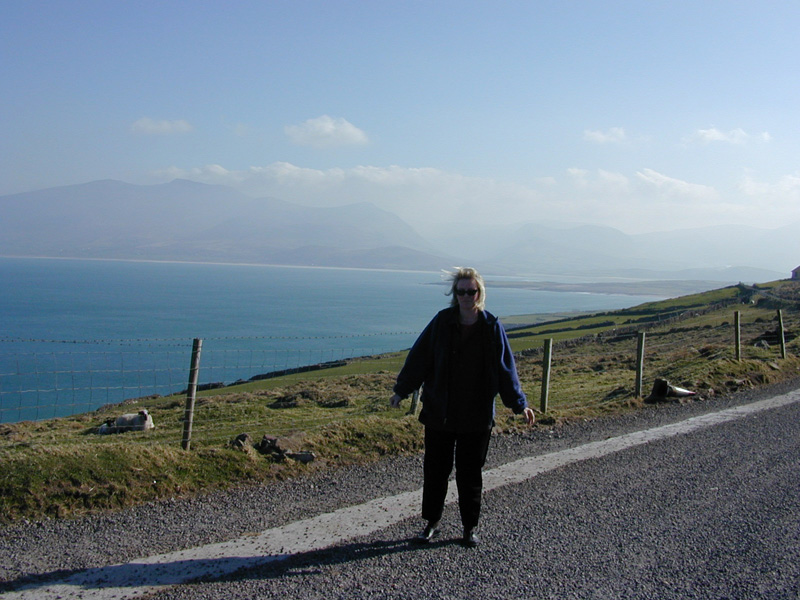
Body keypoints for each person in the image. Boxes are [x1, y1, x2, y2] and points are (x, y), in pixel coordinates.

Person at [390, 267, 535, 548]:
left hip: (476, 415)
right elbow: (420, 357)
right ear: (454, 294)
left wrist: (520, 405)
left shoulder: (492, 327)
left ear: (480, 294)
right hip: (439, 413)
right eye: (461, 291)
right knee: (435, 471)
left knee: (470, 474)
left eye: (471, 291)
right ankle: (431, 523)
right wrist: (401, 390)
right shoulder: (442, 322)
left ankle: (470, 527)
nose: (466, 296)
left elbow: (506, 370)